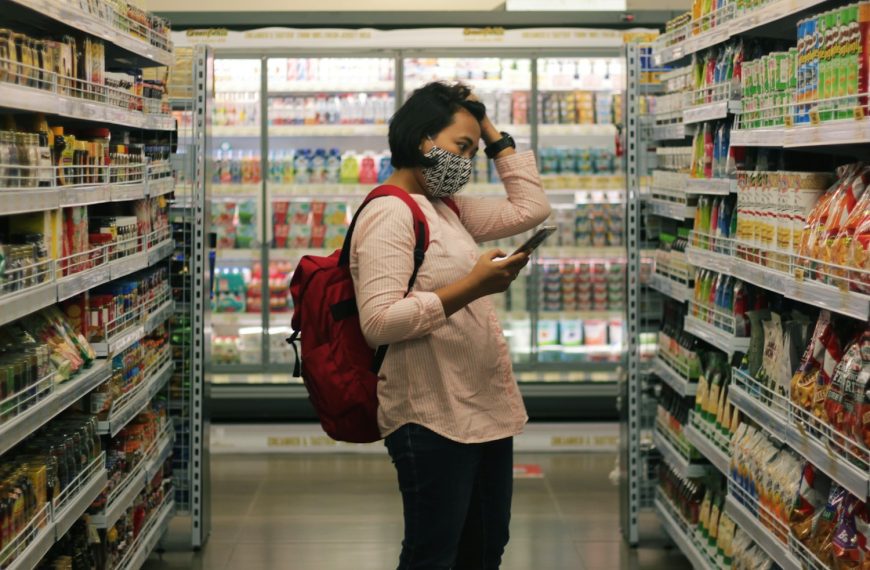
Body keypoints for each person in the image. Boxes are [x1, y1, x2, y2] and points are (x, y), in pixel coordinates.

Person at [349, 81, 552, 570]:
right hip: (430, 415)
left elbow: (532, 208)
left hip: (480, 409)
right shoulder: (389, 212)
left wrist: (485, 126)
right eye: (462, 147)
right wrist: (475, 286)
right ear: (423, 141)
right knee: (433, 554)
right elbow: (378, 322)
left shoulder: (446, 208)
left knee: (484, 548)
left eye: (473, 152)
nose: (467, 160)